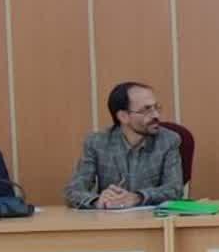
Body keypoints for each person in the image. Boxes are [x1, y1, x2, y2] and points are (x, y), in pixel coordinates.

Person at [64, 81, 184, 209]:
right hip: (109, 218)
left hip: (151, 218)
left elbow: (175, 189)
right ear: (123, 116)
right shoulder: (97, 143)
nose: (156, 115)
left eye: (156, 107)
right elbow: (73, 191)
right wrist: (97, 201)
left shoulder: (168, 140)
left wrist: (137, 197)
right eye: (146, 110)